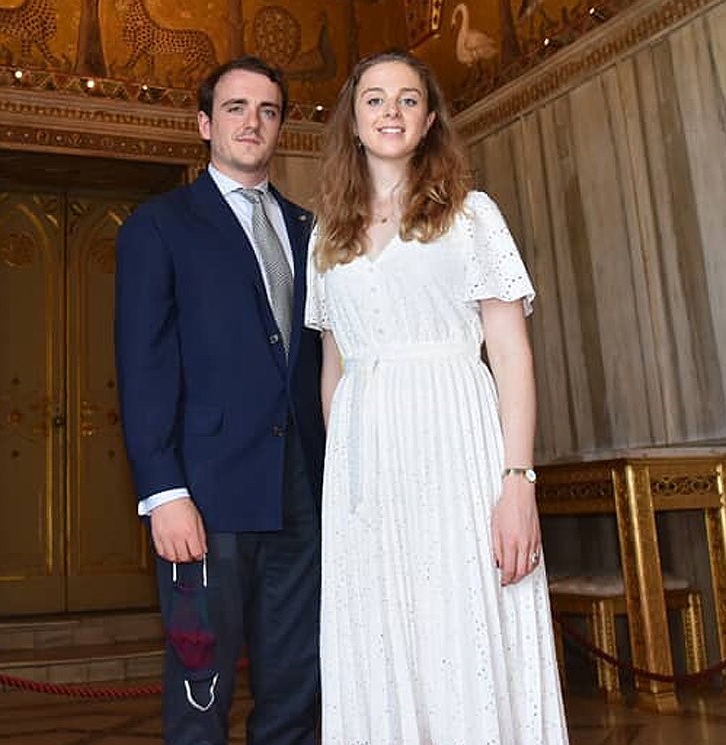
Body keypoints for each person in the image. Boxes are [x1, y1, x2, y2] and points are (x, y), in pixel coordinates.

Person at [305, 49, 568, 743]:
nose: (390, 111)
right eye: (374, 99)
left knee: (460, 620)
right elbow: (334, 367)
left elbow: (511, 353)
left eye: (407, 99)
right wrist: (350, 472)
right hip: (366, 470)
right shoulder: (325, 235)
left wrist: (517, 482)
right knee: (381, 632)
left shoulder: (471, 215)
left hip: (456, 447)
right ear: (352, 121)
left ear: (427, 122)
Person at [115, 56, 324, 745]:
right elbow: (141, 365)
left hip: (300, 492)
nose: (251, 122)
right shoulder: (160, 225)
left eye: (266, 110)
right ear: (205, 124)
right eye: (234, 107)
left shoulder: (311, 230)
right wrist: (163, 490)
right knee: (200, 692)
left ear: (280, 127)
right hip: (202, 498)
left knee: (294, 684)